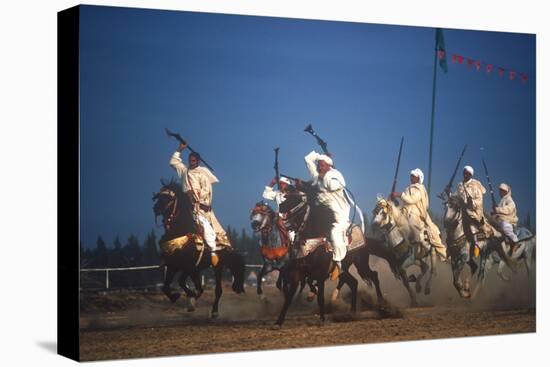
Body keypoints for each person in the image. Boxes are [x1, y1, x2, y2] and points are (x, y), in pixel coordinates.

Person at [169, 142, 231, 266]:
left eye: (193, 161)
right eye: (190, 160)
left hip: (199, 209)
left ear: (198, 161)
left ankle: (213, 251)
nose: (191, 162)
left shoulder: (203, 173)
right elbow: (173, 162)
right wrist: (179, 149)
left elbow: (207, 191)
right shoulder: (184, 171)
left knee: (207, 230)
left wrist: (194, 198)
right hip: (186, 207)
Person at [304, 151, 350, 281]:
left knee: (335, 233)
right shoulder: (319, 175)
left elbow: (334, 185)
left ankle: (338, 264)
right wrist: (320, 156)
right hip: (324, 211)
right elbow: (307, 159)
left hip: (339, 212)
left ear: (329, 166)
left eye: (322, 165)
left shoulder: (334, 175)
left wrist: (323, 176)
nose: (319, 167)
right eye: (319, 165)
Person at [392, 168, 447, 262]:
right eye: (411, 176)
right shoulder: (408, 188)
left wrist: (400, 195)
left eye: (413, 176)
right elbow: (404, 202)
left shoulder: (420, 189)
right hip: (406, 210)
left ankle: (417, 240)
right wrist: (395, 200)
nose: (411, 178)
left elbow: (411, 200)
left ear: (418, 178)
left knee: (412, 222)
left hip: (416, 211)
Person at [446, 165, 493, 254]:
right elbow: (456, 197)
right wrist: (449, 193)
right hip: (462, 210)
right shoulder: (460, 185)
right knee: (452, 221)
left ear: (471, 175)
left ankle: (476, 245)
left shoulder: (475, 185)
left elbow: (479, 200)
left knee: (471, 225)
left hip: (473, 211)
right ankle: (450, 245)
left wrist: (471, 203)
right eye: (464, 173)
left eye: (467, 173)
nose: (465, 175)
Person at [262, 176, 296, 247]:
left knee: (292, 235)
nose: (281, 185)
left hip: (291, 218)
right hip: (279, 218)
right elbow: (265, 195)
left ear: (287, 185)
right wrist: (272, 183)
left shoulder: (293, 194)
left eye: (283, 184)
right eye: (280, 183)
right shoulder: (277, 193)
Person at [492, 183, 519, 253]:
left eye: (502, 191)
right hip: (500, 219)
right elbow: (499, 211)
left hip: (509, 219)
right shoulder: (502, 201)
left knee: (505, 226)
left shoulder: (509, 199)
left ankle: (515, 241)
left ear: (506, 192)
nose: (500, 192)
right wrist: (494, 212)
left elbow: (509, 209)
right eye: (500, 190)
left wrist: (497, 209)